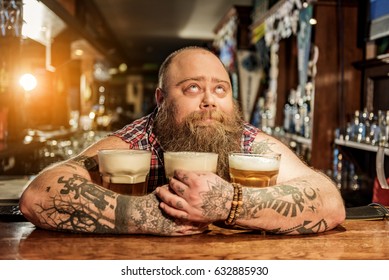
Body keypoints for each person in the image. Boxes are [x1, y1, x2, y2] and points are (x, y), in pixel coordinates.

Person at [19, 46, 345, 236]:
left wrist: (229, 203)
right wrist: (143, 215)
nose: (209, 101)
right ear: (161, 98)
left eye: (220, 89)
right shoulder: (138, 140)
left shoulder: (247, 141)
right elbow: (37, 196)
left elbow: (330, 202)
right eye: (192, 88)